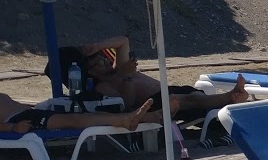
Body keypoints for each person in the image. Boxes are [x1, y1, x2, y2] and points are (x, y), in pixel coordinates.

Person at [68, 36, 248, 116]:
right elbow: (128, 105)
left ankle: (231, 99)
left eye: (104, 57)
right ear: (91, 71)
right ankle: (230, 97)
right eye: (99, 62)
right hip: (153, 103)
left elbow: (123, 41)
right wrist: (127, 76)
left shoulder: (118, 67)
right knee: (192, 99)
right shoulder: (103, 86)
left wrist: (98, 46)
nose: (105, 61)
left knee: (196, 96)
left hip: (165, 90)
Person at [1, 93, 157, 134]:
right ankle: (126, 120)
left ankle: (134, 118)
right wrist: (14, 128)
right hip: (20, 120)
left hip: (29, 113)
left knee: (81, 116)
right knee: (74, 120)